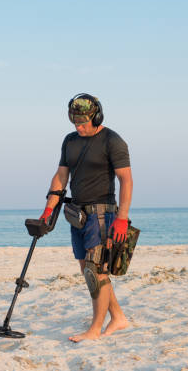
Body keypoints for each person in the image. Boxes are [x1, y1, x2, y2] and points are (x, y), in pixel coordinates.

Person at [39, 93, 133, 342]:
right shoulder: (69, 140)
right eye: (75, 122)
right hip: (77, 214)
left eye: (83, 122)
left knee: (96, 271)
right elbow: (61, 176)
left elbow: (126, 180)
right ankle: (118, 317)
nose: (79, 127)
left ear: (96, 116)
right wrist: (49, 209)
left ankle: (94, 330)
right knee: (88, 269)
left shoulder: (113, 141)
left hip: (103, 213)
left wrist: (122, 218)